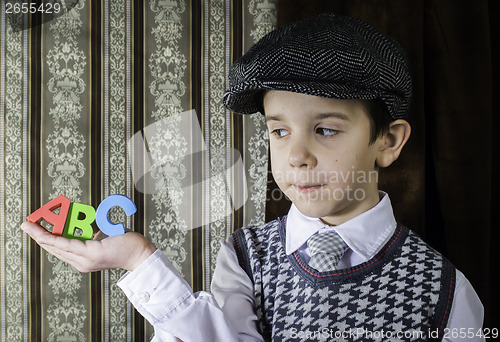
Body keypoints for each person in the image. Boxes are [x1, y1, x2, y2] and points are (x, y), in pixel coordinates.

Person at [21, 13, 484, 342]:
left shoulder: (444, 289)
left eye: (325, 130)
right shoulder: (245, 257)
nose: (296, 156)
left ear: (388, 141)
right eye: (279, 131)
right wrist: (139, 260)